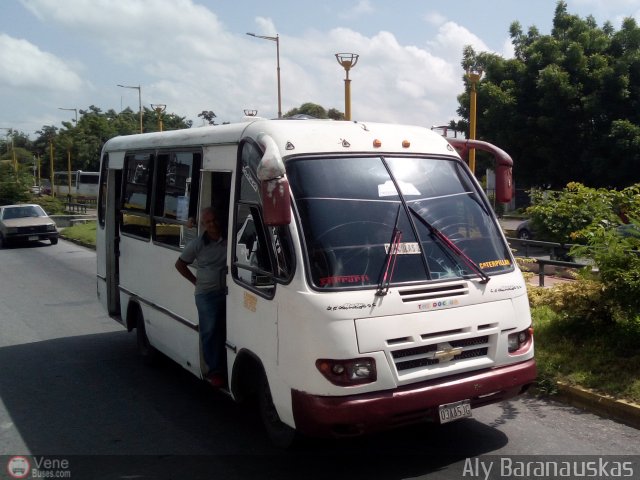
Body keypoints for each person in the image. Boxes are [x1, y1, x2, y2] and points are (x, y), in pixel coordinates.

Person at [175, 207, 227, 388]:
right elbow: (180, 264)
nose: (212, 224)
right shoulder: (198, 244)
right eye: (208, 222)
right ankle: (215, 371)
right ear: (203, 225)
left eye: (214, 220)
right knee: (210, 331)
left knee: (226, 330)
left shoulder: (229, 241)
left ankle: (225, 366)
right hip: (207, 295)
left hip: (228, 293)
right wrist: (195, 281)